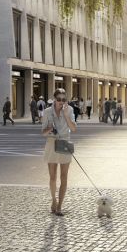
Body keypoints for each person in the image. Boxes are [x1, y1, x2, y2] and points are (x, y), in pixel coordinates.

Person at [41, 87, 77, 216]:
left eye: (64, 99)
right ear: (54, 100)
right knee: (52, 177)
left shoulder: (70, 110)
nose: (61, 102)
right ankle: (54, 201)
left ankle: (60, 206)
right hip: (51, 144)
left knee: (64, 176)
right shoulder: (47, 112)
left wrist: (66, 115)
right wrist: (50, 128)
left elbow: (73, 129)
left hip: (64, 144)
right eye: (59, 99)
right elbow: (43, 133)